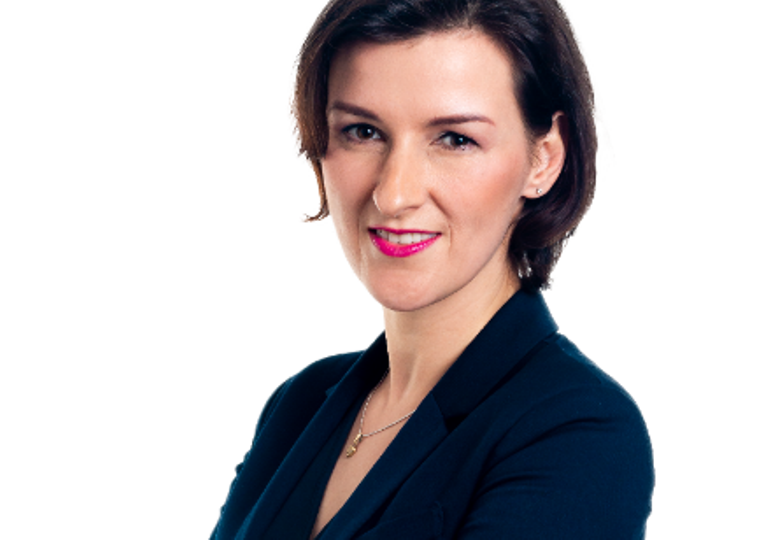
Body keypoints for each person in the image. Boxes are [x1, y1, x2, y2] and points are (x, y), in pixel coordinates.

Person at [210, 0, 654, 538]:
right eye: (362, 131)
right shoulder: (299, 404)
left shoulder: (578, 431)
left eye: (455, 139)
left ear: (543, 159)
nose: (394, 194)